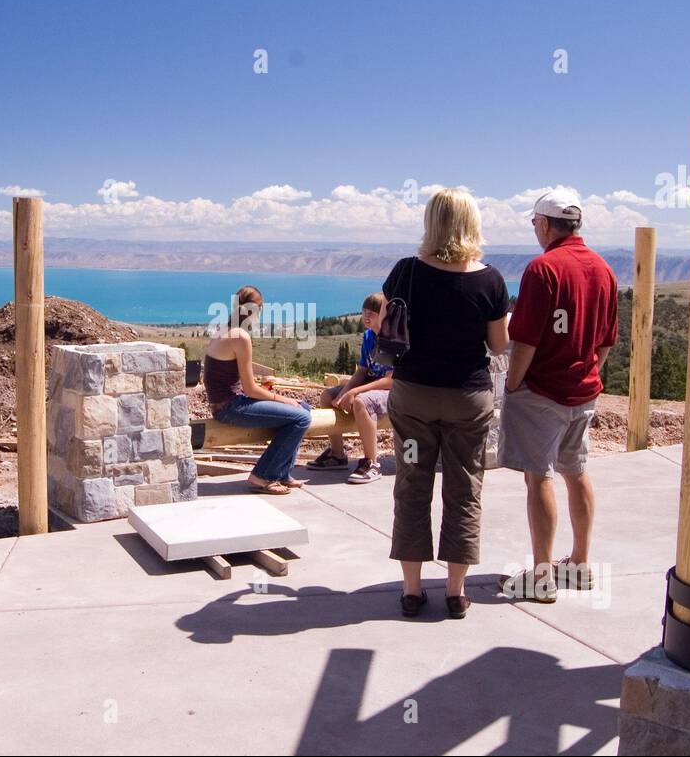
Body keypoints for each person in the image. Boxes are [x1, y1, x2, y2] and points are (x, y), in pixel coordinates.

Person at [383, 189, 510, 620]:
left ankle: (413, 591)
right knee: (464, 488)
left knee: (412, 483)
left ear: (430, 222)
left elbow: (388, 327)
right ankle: (456, 592)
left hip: (413, 395)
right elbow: (498, 345)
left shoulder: (405, 273)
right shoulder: (490, 279)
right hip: (467, 400)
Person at [498, 187, 618, 603]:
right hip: (583, 392)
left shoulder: (543, 269)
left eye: (534, 223)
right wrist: (586, 370)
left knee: (539, 477)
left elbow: (525, 340)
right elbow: (605, 342)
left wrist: (512, 385)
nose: (535, 230)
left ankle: (542, 575)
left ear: (546, 224)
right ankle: (580, 564)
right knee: (576, 470)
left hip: (542, 391)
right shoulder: (603, 269)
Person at [204, 285, 312, 495]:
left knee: (305, 408)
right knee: (302, 418)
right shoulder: (240, 336)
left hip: (228, 401)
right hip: (230, 407)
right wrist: (281, 399)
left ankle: (282, 473)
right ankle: (262, 476)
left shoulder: (224, 329)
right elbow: (250, 389)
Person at [307, 292, 394, 483]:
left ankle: (372, 462)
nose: (366, 316)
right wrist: (344, 392)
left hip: (392, 392)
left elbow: (390, 380)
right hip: (371, 384)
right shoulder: (369, 336)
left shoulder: (392, 340)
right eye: (364, 311)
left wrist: (355, 392)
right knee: (327, 397)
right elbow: (362, 370)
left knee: (362, 402)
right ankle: (338, 454)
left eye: (372, 312)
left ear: (384, 315)